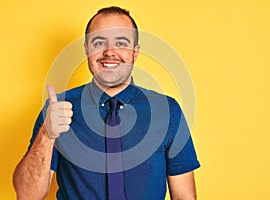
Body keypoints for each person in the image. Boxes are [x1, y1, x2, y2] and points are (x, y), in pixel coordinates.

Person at [13, 6, 200, 200]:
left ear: (135, 52)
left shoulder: (167, 111)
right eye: (99, 42)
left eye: (121, 42)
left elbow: (184, 197)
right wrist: (47, 135)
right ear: (87, 50)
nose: (110, 52)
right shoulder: (58, 109)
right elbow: (27, 196)